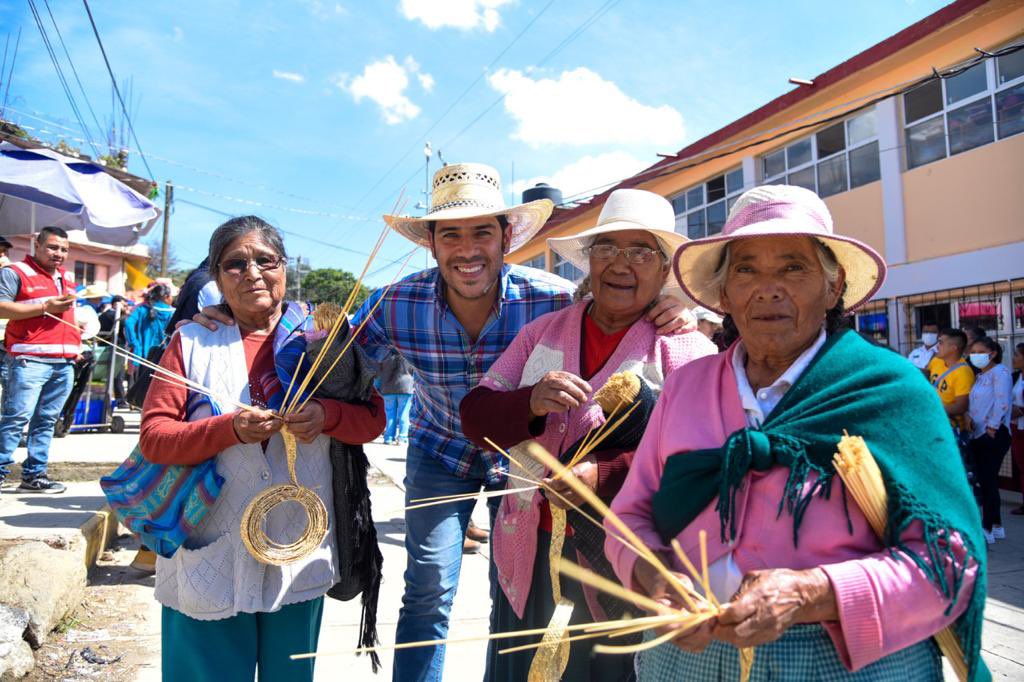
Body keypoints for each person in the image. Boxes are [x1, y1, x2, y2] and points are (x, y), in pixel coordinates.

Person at [608, 185, 986, 680]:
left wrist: (811, 592)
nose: (768, 288)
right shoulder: (686, 387)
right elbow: (629, 513)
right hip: (686, 653)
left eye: (793, 267)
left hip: (845, 657)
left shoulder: (889, 390)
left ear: (834, 288)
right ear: (723, 295)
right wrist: (653, 575)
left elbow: (950, 563)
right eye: (746, 269)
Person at [460, 188, 717, 681]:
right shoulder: (542, 333)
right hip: (528, 548)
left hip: (622, 563)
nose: (622, 264)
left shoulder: (685, 350)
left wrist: (603, 473)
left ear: (665, 271)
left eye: (642, 252)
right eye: (608, 248)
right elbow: (475, 416)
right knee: (521, 667)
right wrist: (529, 401)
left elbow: (705, 462)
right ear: (589, 260)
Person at [140, 216, 385, 680]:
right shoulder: (192, 341)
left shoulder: (324, 336)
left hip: (298, 544)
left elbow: (374, 420)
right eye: (234, 264)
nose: (251, 272)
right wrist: (228, 428)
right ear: (216, 277)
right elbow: (155, 438)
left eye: (264, 260)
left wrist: (327, 416)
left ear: (284, 267)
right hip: (210, 547)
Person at [0, 227, 80, 494]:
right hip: (29, 359)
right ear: (37, 245)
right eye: (53, 247)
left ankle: (34, 475)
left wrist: (75, 342)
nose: (59, 254)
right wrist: (45, 307)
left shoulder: (66, 277)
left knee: (46, 420)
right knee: (16, 417)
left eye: (64, 249)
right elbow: (1, 307)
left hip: (64, 360)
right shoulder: (15, 272)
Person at [965, 336, 1012, 544]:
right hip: (977, 433)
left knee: (988, 481)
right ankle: (997, 525)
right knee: (985, 480)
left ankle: (987, 528)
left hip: (992, 434)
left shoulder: (1000, 373)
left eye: (979, 352)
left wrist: (992, 427)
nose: (974, 356)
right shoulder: (980, 375)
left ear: (992, 353)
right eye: (972, 352)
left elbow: (1002, 402)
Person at [124, 283, 176, 381]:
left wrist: (134, 343)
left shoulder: (142, 309)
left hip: (143, 357)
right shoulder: (173, 312)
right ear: (166, 297)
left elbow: (128, 323)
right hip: (164, 358)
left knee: (140, 390)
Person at [926, 328, 975, 431]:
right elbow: (927, 374)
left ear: (953, 348)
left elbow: (961, 406)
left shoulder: (963, 372)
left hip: (949, 428)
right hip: (932, 421)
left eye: (940, 343)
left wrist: (933, 408)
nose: (937, 346)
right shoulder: (936, 360)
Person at [378, 350, 414, 445]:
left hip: (387, 388)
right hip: (406, 387)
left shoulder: (385, 355)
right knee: (404, 413)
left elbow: (378, 373)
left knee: (389, 414)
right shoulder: (408, 356)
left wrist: (377, 387)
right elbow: (414, 372)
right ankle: (402, 438)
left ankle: (388, 438)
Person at [1011, 343, 1024, 515]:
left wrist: (1020, 410)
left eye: (1017, 355)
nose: (1014, 359)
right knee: (1022, 466)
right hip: (1017, 427)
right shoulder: (1015, 377)